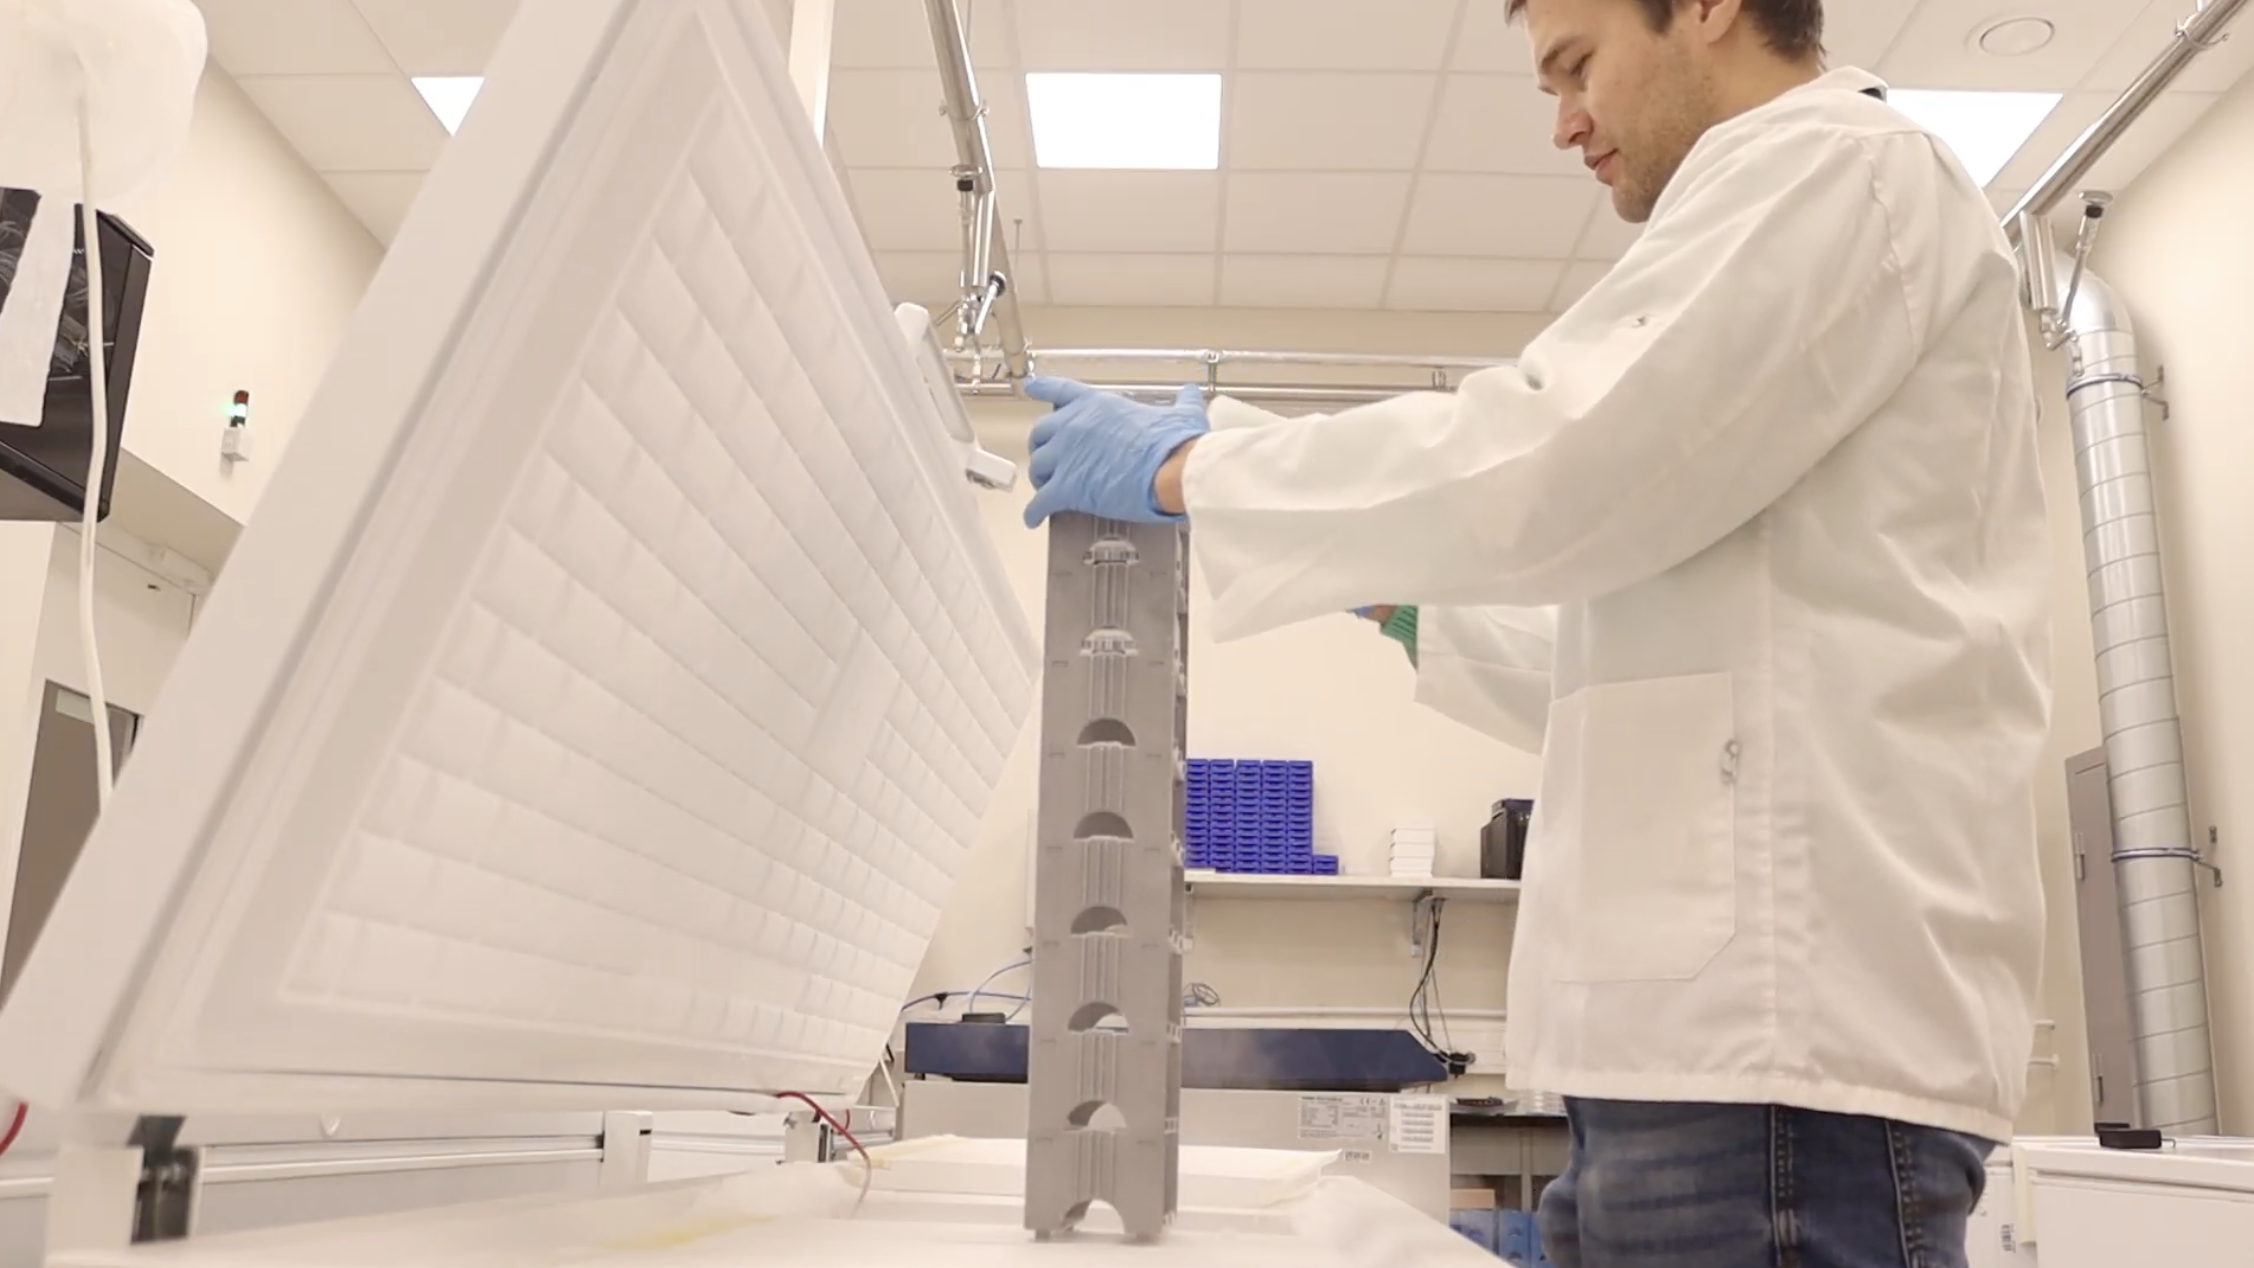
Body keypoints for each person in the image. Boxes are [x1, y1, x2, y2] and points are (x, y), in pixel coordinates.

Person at [1013, 0, 2053, 1263]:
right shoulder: (1790, 220)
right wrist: (1385, 587)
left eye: (1577, 65)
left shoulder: (1838, 165)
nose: (1565, 122)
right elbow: (1619, 667)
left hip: (1784, 1065)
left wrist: (1203, 467)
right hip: (1707, 1061)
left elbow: (1565, 451)